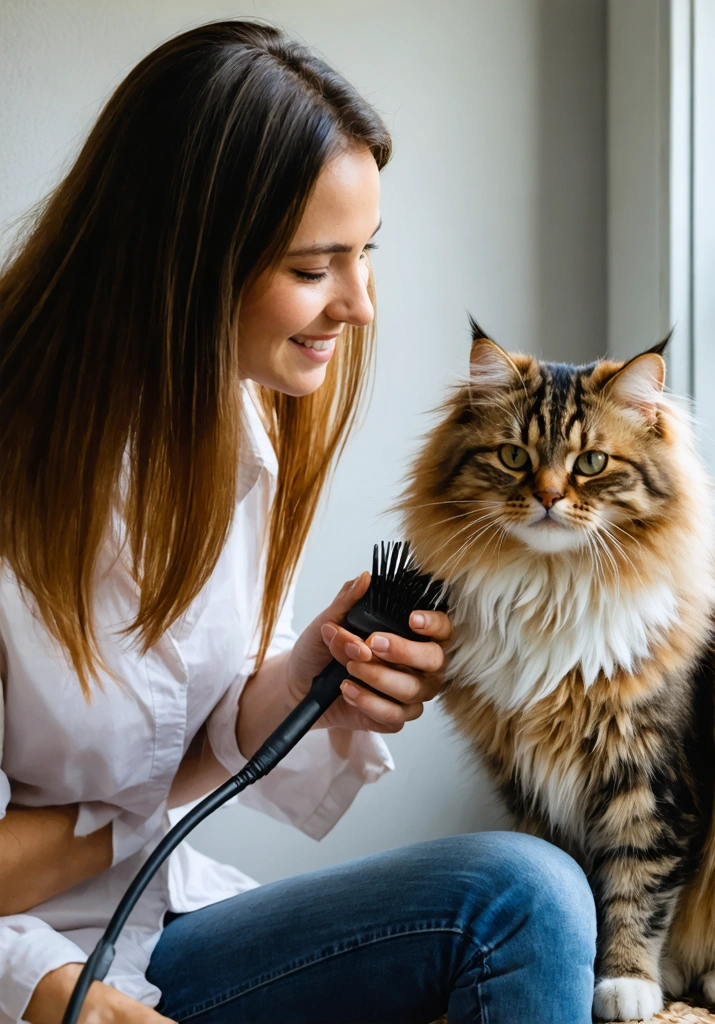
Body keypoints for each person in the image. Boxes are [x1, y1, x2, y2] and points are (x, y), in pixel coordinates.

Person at [0, 21, 596, 1024]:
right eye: (316, 267)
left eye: (365, 255)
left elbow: (182, 742)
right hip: (32, 969)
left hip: (157, 921)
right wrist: (52, 993)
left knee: (521, 896)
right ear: (180, 258)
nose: (360, 305)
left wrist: (312, 684)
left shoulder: (232, 426)